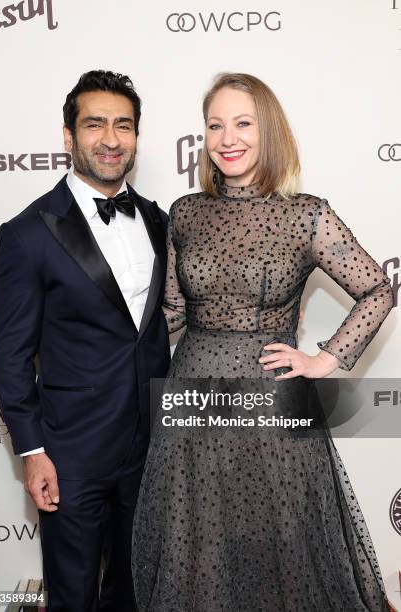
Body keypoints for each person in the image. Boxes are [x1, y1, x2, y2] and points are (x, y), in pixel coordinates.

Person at [131, 73, 395, 611]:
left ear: (268, 129)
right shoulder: (185, 213)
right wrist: (104, 337)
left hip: (273, 395)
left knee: (285, 542)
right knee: (198, 541)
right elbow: (176, 310)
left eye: (243, 123)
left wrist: (325, 359)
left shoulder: (305, 214)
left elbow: (377, 289)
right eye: (215, 125)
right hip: (194, 394)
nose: (228, 138)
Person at [0, 70, 170, 612]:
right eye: (95, 125)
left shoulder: (159, 221)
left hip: (150, 446)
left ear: (137, 136)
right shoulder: (26, 233)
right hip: (71, 453)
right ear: (68, 137)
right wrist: (33, 451)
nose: (111, 139)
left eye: (124, 126)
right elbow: (11, 352)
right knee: (72, 595)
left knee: (135, 589)